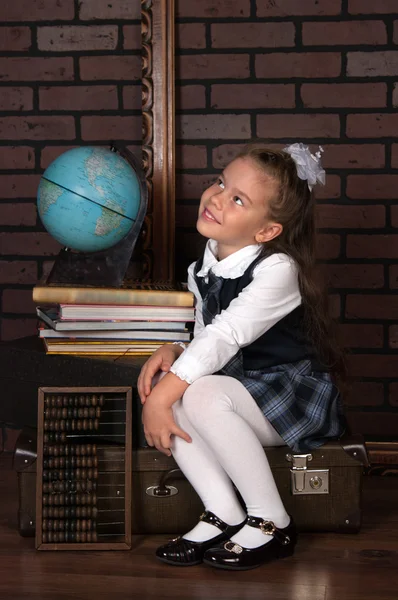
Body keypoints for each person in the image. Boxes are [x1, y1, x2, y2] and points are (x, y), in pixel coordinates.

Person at [137, 142, 346, 571]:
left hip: (287, 396)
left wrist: (160, 400)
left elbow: (226, 336)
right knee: (175, 385)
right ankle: (223, 513)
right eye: (220, 182)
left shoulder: (278, 269)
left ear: (267, 231)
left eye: (237, 199)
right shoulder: (206, 265)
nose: (216, 197)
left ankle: (272, 521)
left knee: (197, 393)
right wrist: (175, 349)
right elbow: (203, 336)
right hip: (238, 389)